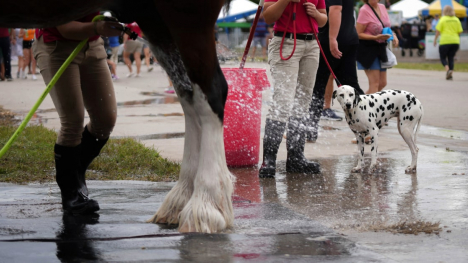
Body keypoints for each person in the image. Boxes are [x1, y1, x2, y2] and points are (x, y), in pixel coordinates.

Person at [33, 13, 123, 214]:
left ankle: (75, 172)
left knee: (105, 120)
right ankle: (71, 195)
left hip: (92, 45)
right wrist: (98, 28)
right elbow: (65, 27)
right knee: (72, 122)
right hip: (56, 45)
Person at [259, 0, 328, 177]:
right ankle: (269, 161)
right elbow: (267, 17)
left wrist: (316, 13)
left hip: (312, 45)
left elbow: (323, 20)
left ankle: (296, 158)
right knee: (283, 101)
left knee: (303, 102)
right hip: (286, 41)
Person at [306, 0, 365, 143]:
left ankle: (309, 130)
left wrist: (332, 38)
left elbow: (336, 9)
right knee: (351, 85)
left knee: (317, 86)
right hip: (349, 38)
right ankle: (368, 127)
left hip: (333, 40)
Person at [356, 0, 398, 95]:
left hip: (380, 48)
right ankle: (371, 109)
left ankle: (361, 103)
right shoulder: (364, 10)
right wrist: (376, 37)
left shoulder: (382, 7)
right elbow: (358, 34)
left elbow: (386, 27)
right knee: (374, 84)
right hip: (367, 49)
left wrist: (393, 35)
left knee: (382, 83)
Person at [434, 6, 463, 80]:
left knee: (442, 57)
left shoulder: (442, 19)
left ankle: (448, 70)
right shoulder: (456, 19)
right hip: (455, 41)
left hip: (445, 41)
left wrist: (435, 40)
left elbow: (438, 31)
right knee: (451, 57)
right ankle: (451, 73)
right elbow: (460, 31)